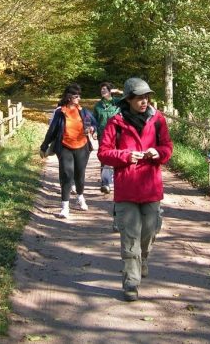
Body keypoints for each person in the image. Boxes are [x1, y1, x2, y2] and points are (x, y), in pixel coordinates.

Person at [98, 77, 173, 301]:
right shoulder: (116, 121)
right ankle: (130, 282)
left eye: (146, 97)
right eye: (139, 97)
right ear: (129, 99)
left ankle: (144, 258)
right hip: (127, 189)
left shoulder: (157, 119)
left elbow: (168, 146)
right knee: (130, 238)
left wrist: (159, 153)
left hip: (151, 187)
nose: (144, 101)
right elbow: (103, 152)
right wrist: (126, 156)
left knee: (150, 231)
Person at [39, 83, 97, 219]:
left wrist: (93, 129)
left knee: (79, 174)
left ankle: (80, 197)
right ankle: (65, 207)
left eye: (79, 96)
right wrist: (44, 146)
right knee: (66, 174)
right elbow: (52, 130)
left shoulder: (84, 111)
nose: (79, 98)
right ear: (69, 97)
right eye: (76, 96)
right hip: (64, 147)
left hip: (82, 147)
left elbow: (94, 123)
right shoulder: (60, 112)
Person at [93, 82, 123, 194]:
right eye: (101, 90)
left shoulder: (117, 103)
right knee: (104, 157)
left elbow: (129, 98)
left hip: (118, 134)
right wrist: (95, 131)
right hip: (103, 135)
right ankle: (105, 183)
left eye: (105, 89)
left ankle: (117, 180)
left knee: (118, 156)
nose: (102, 91)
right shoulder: (98, 105)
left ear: (110, 91)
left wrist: (118, 91)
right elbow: (94, 120)